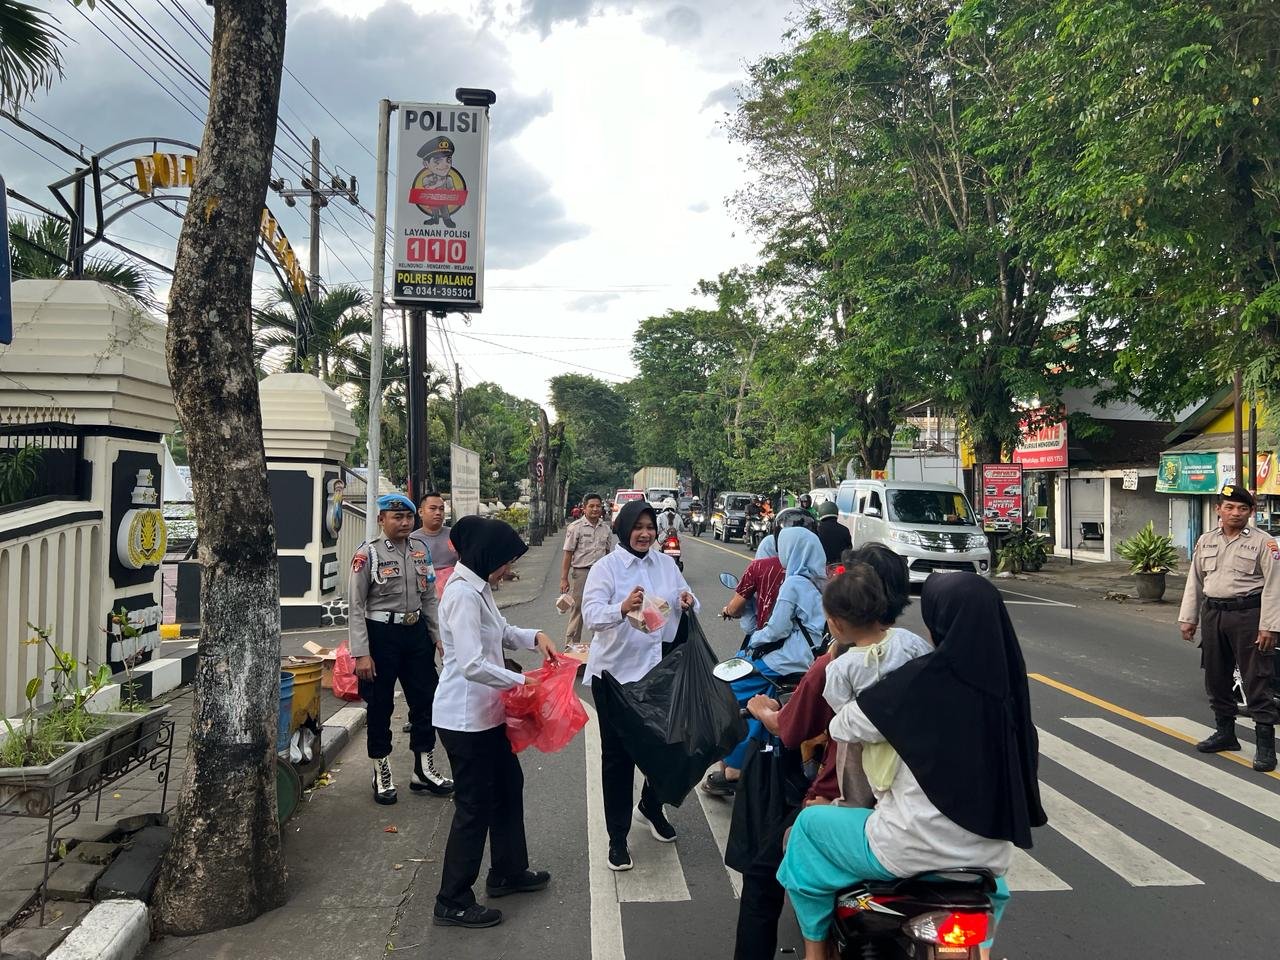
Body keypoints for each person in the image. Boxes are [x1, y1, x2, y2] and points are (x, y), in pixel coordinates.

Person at [778, 573, 1043, 960]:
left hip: (908, 847)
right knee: (991, 899)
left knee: (807, 829)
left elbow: (844, 724)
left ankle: (815, 952)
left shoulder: (919, 684)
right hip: (987, 859)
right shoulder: (1010, 698)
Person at [731, 555, 923, 960]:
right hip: (915, 799)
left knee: (763, 876)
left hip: (843, 795)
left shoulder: (836, 665)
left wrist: (764, 710)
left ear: (838, 617)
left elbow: (792, 730)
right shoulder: (916, 649)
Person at [432, 516, 558, 929]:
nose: (508, 569)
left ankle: (507, 871)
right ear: (487, 555)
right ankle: (452, 899)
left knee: (508, 786)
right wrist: (525, 680)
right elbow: (471, 663)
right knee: (474, 806)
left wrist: (535, 635)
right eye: (505, 560)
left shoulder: (478, 586)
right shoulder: (462, 595)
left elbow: (501, 632)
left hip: (487, 715)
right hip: (464, 719)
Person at [582, 499, 697, 872]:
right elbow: (591, 615)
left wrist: (686, 599)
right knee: (618, 760)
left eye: (650, 527)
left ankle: (650, 805)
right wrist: (620, 607)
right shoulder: (607, 568)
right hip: (615, 677)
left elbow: (685, 595)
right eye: (638, 527)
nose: (646, 533)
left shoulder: (666, 563)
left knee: (666, 749)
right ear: (624, 529)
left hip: (658, 675)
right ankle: (617, 837)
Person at [703, 526, 826, 797]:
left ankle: (733, 766)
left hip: (785, 660)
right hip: (808, 660)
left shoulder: (794, 583)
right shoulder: (822, 582)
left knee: (727, 688)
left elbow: (777, 628)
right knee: (760, 695)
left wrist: (754, 643)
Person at [349, 493, 453, 805]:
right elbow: (355, 607)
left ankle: (423, 769)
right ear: (382, 520)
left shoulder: (420, 550)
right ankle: (381, 770)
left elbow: (429, 597)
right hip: (381, 637)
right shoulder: (368, 554)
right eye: (397, 517)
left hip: (416, 633)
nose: (404, 522)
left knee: (427, 700)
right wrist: (361, 652)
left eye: (408, 517)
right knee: (380, 706)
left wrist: (437, 636)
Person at [1178, 484, 1280, 772]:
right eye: (1229, 507)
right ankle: (1226, 734)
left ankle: (1265, 747)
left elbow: (1274, 587)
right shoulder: (1206, 540)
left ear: (1251, 511)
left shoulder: (1264, 543)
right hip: (1214, 614)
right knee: (1216, 676)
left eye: (1242, 508)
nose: (1235, 513)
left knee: (1256, 678)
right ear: (1218, 509)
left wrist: (1269, 627)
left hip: (1249, 615)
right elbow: (1195, 580)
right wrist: (1189, 618)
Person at [559, 493, 614, 655]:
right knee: (578, 611)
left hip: (601, 575)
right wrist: (564, 579)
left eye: (598, 506)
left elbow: (608, 553)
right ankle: (570, 651)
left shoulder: (606, 528)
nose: (595, 509)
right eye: (591, 506)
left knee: (601, 609)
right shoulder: (575, 527)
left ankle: (600, 650)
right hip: (582, 573)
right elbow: (568, 554)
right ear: (584, 508)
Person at [722, 535, 786, 642]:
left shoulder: (758, 567)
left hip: (768, 640)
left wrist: (727, 610)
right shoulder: (813, 574)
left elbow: (735, 609)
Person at [416, 491, 459, 599]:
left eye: (441, 509)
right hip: (425, 596)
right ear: (421, 512)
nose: (438, 512)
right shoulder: (412, 540)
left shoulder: (455, 535)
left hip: (455, 594)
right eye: (433, 508)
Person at [814, 500, 851, 565]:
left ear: (820, 513)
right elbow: (849, 548)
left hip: (822, 565)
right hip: (840, 565)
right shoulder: (844, 530)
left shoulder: (817, 529)